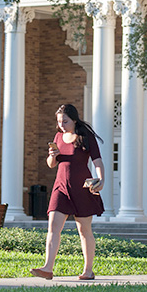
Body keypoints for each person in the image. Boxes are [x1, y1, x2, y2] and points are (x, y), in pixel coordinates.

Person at [30, 104, 105, 281]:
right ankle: (48, 268)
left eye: (65, 121)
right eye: (59, 121)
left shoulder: (85, 137)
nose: (62, 125)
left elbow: (97, 160)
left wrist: (101, 179)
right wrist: (52, 155)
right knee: (53, 227)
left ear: (74, 120)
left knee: (84, 230)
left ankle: (88, 270)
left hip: (82, 188)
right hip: (61, 187)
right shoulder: (58, 137)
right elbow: (51, 164)